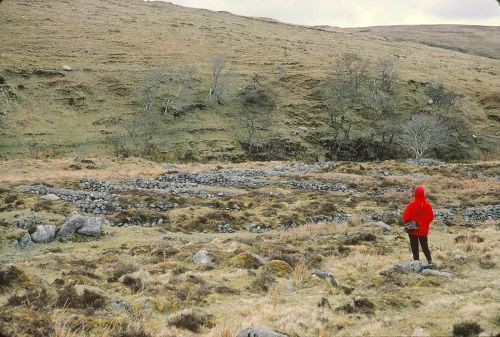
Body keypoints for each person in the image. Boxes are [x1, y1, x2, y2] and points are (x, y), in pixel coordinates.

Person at [402, 185, 434, 266]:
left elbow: (405, 218)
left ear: (415, 194)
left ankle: (417, 263)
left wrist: (411, 222)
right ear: (423, 194)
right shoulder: (428, 205)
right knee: (425, 246)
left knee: (414, 247)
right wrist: (424, 223)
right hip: (423, 230)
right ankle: (430, 261)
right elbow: (431, 218)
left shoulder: (411, 205)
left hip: (412, 230)